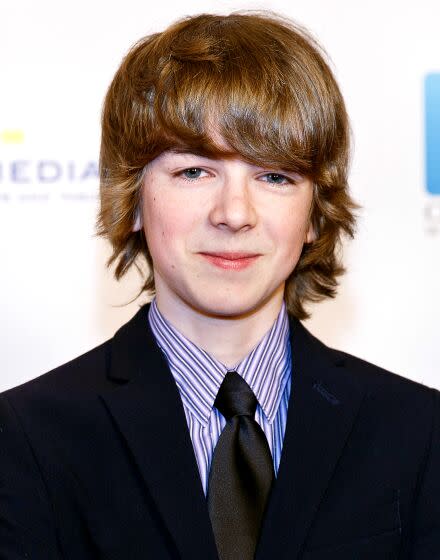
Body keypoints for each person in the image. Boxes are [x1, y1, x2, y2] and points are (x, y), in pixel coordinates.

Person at [0, 11, 438, 560]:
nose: (234, 213)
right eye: (194, 171)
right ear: (133, 197)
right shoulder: (25, 438)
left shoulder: (419, 435)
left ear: (314, 214)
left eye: (274, 175)